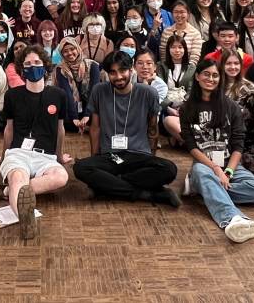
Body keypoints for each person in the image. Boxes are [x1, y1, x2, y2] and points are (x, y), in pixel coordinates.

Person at [0, 45, 71, 240]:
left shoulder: (58, 95)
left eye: (37, 63)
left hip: (46, 156)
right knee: (18, 177)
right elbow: (9, 129)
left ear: (45, 66)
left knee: (61, 177)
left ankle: (4, 190)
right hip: (18, 152)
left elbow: (60, 129)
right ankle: (25, 221)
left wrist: (59, 157)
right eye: (27, 64)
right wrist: (3, 157)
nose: (32, 67)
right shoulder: (12, 95)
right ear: (21, 68)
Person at [74, 51, 180, 205]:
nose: (118, 77)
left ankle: (109, 185)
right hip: (110, 156)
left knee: (169, 169)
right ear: (107, 74)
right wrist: (95, 157)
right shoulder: (99, 90)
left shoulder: (148, 93)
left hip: (138, 155)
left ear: (131, 70)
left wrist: (151, 158)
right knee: (80, 168)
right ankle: (148, 194)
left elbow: (152, 129)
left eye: (122, 71)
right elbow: (95, 127)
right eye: (112, 72)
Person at [180, 59, 254, 243]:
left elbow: (238, 144)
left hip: (229, 164)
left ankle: (204, 189)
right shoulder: (187, 108)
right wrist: (216, 169)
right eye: (206, 74)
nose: (210, 79)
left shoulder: (230, 106)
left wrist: (228, 171)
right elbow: (192, 147)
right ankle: (233, 219)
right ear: (197, 76)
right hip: (203, 165)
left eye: (215, 75)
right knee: (202, 173)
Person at [55, 37, 103, 133]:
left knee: (97, 117)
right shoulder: (61, 69)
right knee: (66, 120)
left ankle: (85, 127)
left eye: (72, 49)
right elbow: (67, 93)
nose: (69, 53)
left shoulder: (93, 66)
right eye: (65, 51)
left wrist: (87, 115)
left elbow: (94, 91)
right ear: (61, 54)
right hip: (72, 106)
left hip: (91, 103)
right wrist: (74, 118)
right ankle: (81, 127)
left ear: (78, 49)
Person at [159, 0, 202, 66]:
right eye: (176, 12)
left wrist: (187, 72)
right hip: (168, 69)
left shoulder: (195, 33)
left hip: (188, 70)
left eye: (182, 12)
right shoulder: (166, 32)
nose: (179, 15)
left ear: (188, 14)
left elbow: (194, 57)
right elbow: (163, 54)